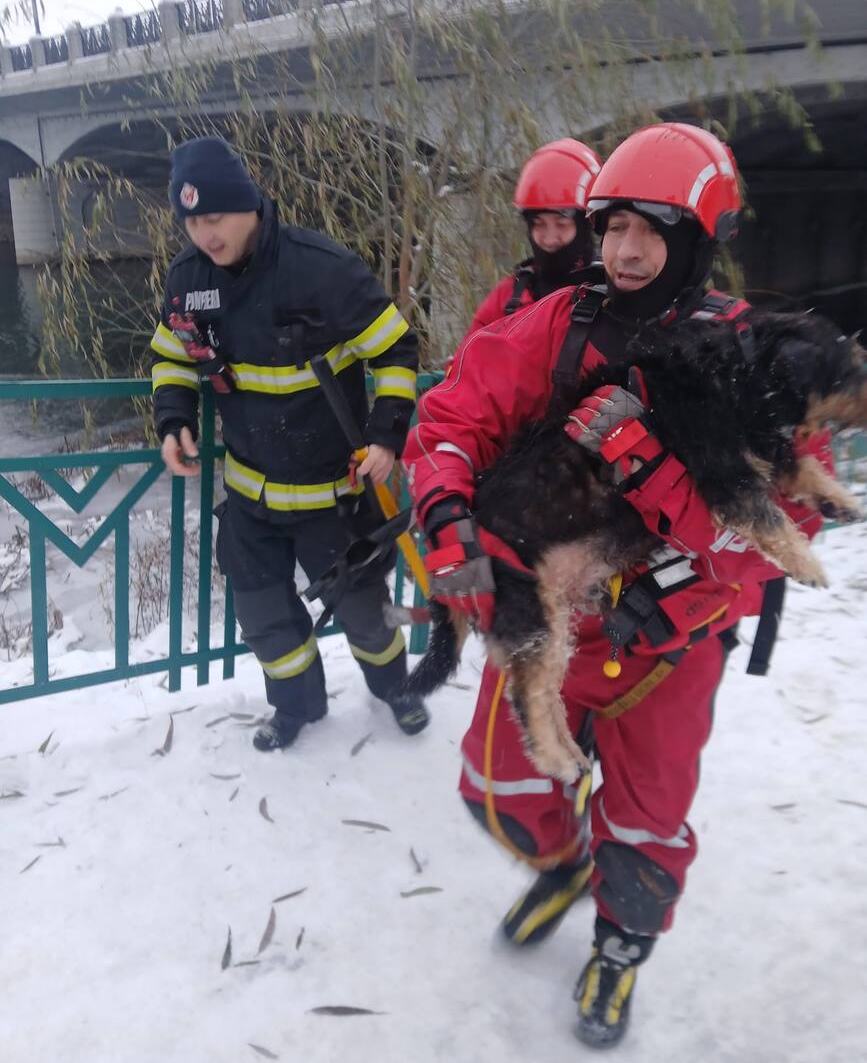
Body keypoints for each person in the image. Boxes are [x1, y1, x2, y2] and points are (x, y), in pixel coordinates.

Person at [403, 123, 830, 1047]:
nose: (623, 251)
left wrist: (654, 476)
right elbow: (451, 419)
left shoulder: (750, 349)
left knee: (647, 820)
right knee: (496, 789)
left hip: (670, 646)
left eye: (649, 230)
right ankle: (560, 862)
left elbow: (778, 533)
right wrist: (443, 518)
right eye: (610, 228)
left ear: (697, 238)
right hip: (552, 618)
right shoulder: (556, 325)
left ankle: (621, 942)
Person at [150, 136, 428, 751]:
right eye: (192, 220)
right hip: (250, 503)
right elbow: (172, 358)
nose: (205, 234)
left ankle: (397, 688)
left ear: (248, 206)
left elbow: (394, 349)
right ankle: (296, 708)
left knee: (367, 616)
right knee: (267, 622)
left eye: (215, 216)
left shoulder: (320, 268)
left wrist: (386, 438)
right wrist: (174, 421)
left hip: (334, 496)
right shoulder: (187, 280)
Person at [463, 139, 603, 339]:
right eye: (538, 224)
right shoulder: (509, 297)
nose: (549, 238)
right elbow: (465, 363)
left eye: (562, 224)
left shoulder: (613, 293)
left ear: (586, 224)